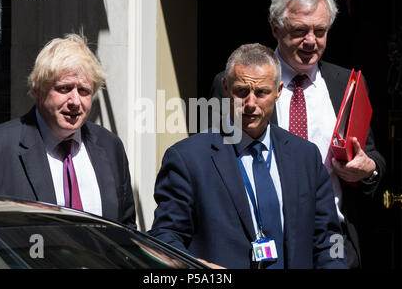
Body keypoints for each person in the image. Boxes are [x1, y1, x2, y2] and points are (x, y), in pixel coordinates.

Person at [209, 0, 386, 268]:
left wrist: (368, 170)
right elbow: (214, 163)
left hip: (332, 243)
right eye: (299, 31)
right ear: (275, 28)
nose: (310, 41)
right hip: (261, 244)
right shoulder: (235, 86)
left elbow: (371, 155)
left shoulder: (347, 84)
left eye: (320, 31)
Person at [149, 43, 347, 269]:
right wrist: (198, 268)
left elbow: (331, 237)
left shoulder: (306, 157)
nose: (250, 104)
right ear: (225, 87)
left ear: (279, 91)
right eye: (242, 91)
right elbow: (164, 237)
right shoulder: (188, 159)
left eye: (262, 92)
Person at [0, 34, 136, 227]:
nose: (75, 102)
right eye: (64, 89)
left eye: (84, 91)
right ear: (38, 92)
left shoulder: (110, 146)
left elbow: (126, 229)